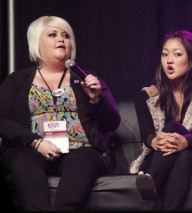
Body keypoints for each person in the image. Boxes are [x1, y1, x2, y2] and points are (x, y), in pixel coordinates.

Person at [0, 16, 121, 211]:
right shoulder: (17, 80)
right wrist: (35, 142)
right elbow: (2, 119)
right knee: (24, 161)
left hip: (81, 149)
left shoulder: (86, 79)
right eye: (53, 34)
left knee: (82, 161)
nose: (61, 39)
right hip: (31, 148)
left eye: (66, 35)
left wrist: (96, 99)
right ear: (36, 42)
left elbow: (112, 123)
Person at [130, 30, 192, 210]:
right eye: (165, 54)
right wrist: (155, 141)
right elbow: (146, 134)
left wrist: (185, 141)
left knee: (177, 132)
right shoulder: (147, 96)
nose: (169, 60)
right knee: (184, 157)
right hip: (164, 155)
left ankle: (152, 177)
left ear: (191, 60)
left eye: (177, 54)